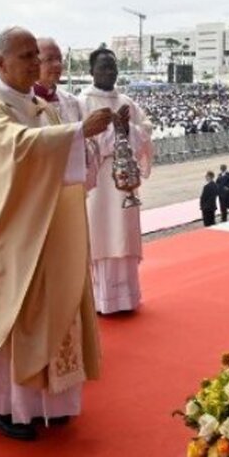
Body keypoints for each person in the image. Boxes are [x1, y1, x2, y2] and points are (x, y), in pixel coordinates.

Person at [0, 27, 114, 441]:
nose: (36, 63)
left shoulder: (42, 106)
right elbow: (16, 149)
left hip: (49, 233)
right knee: (14, 318)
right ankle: (8, 407)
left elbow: (65, 164)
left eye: (37, 55)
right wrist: (75, 133)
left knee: (55, 312)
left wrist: (85, 141)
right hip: (10, 239)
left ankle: (53, 401)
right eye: (25, 56)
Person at [79, 46, 154, 315]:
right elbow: (80, 140)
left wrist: (126, 130)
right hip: (99, 179)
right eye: (103, 67)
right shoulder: (82, 102)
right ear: (91, 71)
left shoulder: (127, 101)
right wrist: (111, 132)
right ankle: (102, 301)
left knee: (124, 234)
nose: (110, 72)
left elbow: (144, 133)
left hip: (124, 182)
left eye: (113, 67)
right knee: (100, 235)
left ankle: (128, 298)